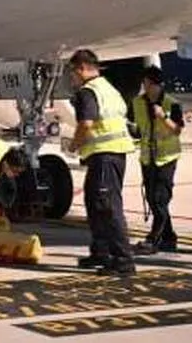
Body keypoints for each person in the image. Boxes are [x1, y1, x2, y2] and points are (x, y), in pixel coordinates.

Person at [64, 48, 136, 276]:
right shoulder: (109, 88)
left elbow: (86, 124)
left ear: (82, 68)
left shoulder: (88, 92)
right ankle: (101, 252)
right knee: (95, 203)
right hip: (112, 154)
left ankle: (123, 260)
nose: (72, 78)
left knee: (108, 207)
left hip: (105, 154)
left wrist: (74, 145)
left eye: (73, 73)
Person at [129, 66, 184, 255]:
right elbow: (137, 127)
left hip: (166, 158)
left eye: (150, 84)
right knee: (153, 199)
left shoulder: (172, 104)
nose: (147, 87)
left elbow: (177, 130)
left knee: (160, 200)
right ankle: (169, 238)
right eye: (146, 83)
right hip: (147, 158)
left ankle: (153, 240)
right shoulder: (137, 102)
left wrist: (163, 116)